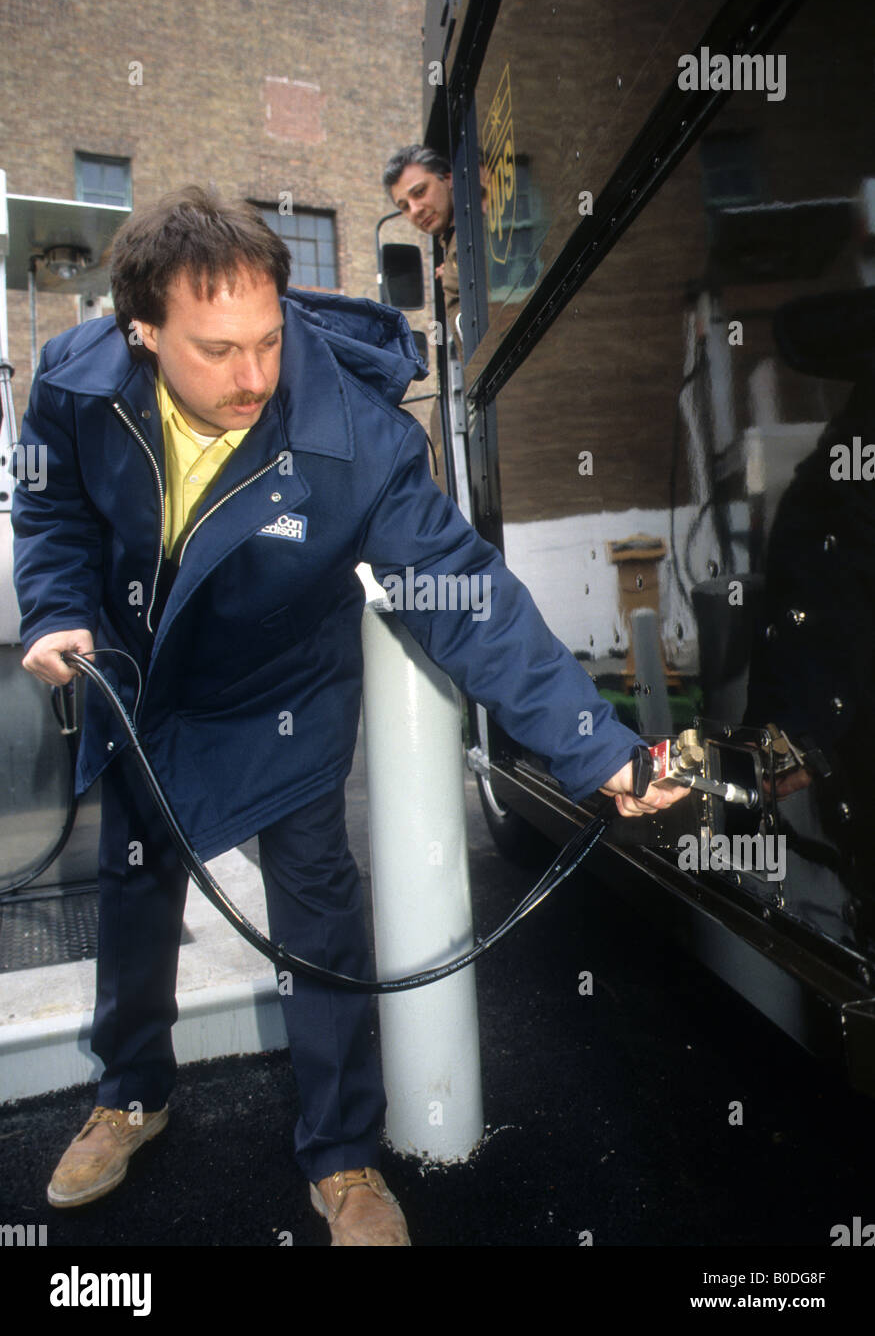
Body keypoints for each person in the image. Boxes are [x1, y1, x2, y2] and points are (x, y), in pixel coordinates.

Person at [12, 186, 687, 1246]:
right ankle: (128, 1093)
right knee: (136, 885)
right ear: (140, 332)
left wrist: (592, 746)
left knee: (317, 913)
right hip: (140, 681)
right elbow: (48, 506)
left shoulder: (355, 437)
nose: (253, 378)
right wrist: (53, 609)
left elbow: (464, 594)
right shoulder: (72, 380)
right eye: (217, 349)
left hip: (281, 694)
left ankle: (342, 1155)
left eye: (268, 341)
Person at [383, 145, 461, 346]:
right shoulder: (451, 246)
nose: (415, 210)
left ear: (448, 178)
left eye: (419, 192)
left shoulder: (479, 231)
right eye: (404, 207)